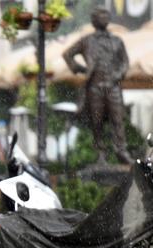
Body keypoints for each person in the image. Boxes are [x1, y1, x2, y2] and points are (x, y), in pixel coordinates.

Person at [62, 7, 132, 165]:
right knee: (97, 121)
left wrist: (118, 74)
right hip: (95, 87)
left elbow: (125, 62)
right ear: (93, 20)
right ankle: (101, 153)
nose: (105, 18)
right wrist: (80, 69)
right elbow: (67, 54)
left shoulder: (117, 40)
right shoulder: (87, 40)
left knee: (118, 119)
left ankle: (121, 151)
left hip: (113, 86)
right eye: (101, 15)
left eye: (107, 15)